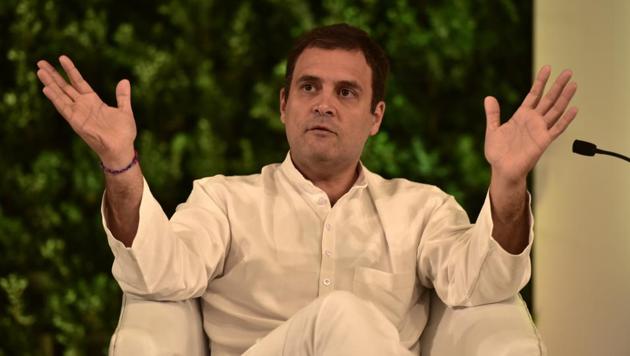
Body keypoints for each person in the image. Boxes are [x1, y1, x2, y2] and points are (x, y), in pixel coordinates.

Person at [36, 23, 577, 356]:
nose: (323, 103)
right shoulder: (223, 199)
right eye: (309, 87)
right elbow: (159, 270)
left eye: (346, 92)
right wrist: (120, 164)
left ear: (375, 117)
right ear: (283, 104)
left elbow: (482, 283)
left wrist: (508, 183)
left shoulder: (421, 209)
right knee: (341, 315)